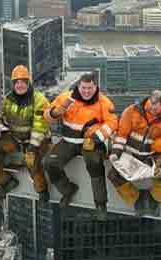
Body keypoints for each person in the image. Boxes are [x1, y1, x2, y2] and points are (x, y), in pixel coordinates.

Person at [43, 73, 118, 220]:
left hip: (90, 143)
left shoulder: (103, 102)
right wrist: (54, 112)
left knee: (95, 163)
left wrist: (97, 138)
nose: (87, 91)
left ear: (95, 87)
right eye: (84, 88)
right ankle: (67, 190)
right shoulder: (66, 98)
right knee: (49, 163)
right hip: (68, 141)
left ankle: (100, 204)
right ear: (79, 86)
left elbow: (112, 123)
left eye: (90, 88)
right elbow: (47, 115)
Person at [108, 91, 161, 216]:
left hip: (152, 157)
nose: (152, 110)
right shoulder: (131, 111)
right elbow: (121, 136)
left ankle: (154, 200)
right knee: (113, 175)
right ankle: (137, 199)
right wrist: (115, 153)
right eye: (150, 106)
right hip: (130, 154)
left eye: (155, 108)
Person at [0, 65, 51, 201]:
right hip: (16, 138)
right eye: (17, 82)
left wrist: (32, 146)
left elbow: (40, 125)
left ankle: (42, 189)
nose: (20, 85)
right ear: (13, 84)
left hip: (39, 140)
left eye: (23, 82)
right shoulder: (8, 99)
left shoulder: (39, 100)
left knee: (32, 160)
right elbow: (5, 119)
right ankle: (6, 182)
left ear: (28, 83)